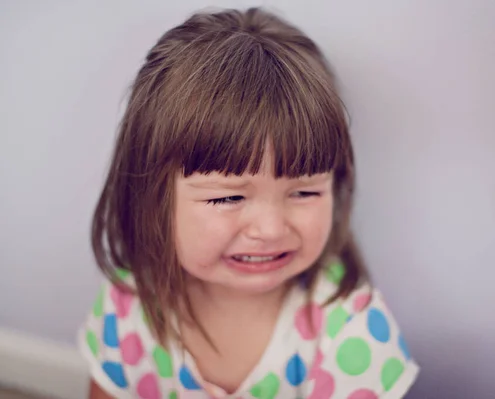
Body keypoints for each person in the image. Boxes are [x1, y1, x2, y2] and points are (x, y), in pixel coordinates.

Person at [78, 7, 418, 399]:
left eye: (304, 192)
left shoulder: (352, 332)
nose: (271, 229)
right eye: (229, 197)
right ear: (151, 195)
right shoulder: (128, 306)